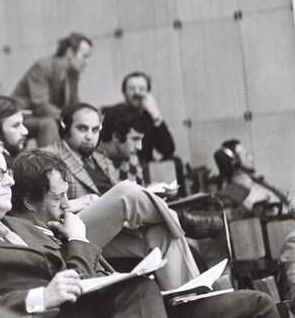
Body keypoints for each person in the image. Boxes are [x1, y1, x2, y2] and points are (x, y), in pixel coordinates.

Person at [0, 135, 282, 318]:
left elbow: (85, 276)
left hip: (132, 314)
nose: (7, 181)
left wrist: (76, 238)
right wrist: (44, 289)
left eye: (7, 173)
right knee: (257, 305)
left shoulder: (22, 226)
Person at [43, 102, 200, 289]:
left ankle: (187, 298)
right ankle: (178, 217)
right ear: (65, 128)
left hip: (109, 231)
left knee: (163, 231)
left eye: (95, 130)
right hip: (70, 232)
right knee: (126, 192)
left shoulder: (96, 159)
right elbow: (42, 208)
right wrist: (84, 202)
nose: (89, 136)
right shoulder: (47, 158)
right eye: (82, 129)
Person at [11, 32, 92, 148]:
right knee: (50, 125)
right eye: (85, 56)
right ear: (69, 52)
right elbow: (41, 107)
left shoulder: (73, 74)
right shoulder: (42, 67)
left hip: (48, 116)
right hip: (23, 118)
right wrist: (73, 119)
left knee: (87, 123)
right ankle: (50, 164)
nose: (87, 62)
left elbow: (74, 106)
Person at [214, 139, 294, 218]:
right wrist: (248, 204)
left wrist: (290, 202)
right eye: (246, 155)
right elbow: (223, 220)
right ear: (235, 162)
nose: (251, 158)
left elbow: (284, 201)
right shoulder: (228, 193)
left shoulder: (259, 182)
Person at [119, 71, 175, 162]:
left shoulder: (149, 117)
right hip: (123, 169)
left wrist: (155, 114)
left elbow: (168, 150)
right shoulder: (115, 116)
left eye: (141, 89)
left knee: (175, 161)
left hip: (145, 169)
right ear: (124, 92)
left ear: (148, 94)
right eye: (132, 88)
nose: (137, 93)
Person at [99, 103, 152, 185]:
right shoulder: (93, 164)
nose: (139, 147)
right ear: (116, 136)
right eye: (135, 139)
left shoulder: (130, 157)